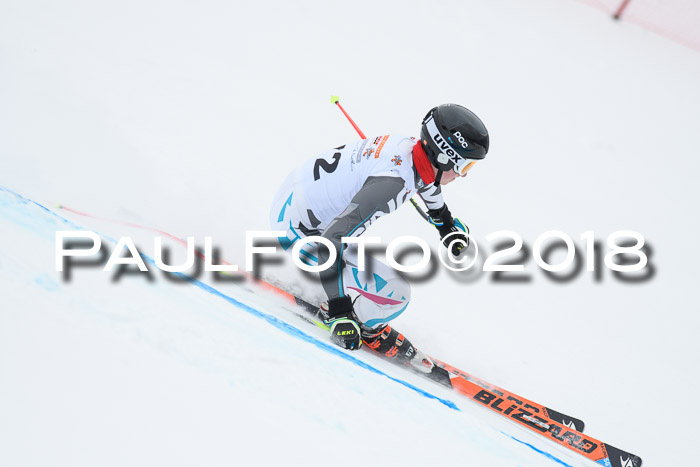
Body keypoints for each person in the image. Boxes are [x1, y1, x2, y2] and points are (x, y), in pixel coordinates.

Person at [269, 103, 489, 373]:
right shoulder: (391, 184)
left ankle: (333, 295)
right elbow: (331, 241)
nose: (463, 175)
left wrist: (445, 224)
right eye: (464, 165)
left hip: (295, 208)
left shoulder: (409, 148)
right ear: (444, 157)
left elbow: (427, 181)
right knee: (397, 293)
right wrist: (340, 312)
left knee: (356, 251)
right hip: (301, 233)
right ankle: (351, 319)